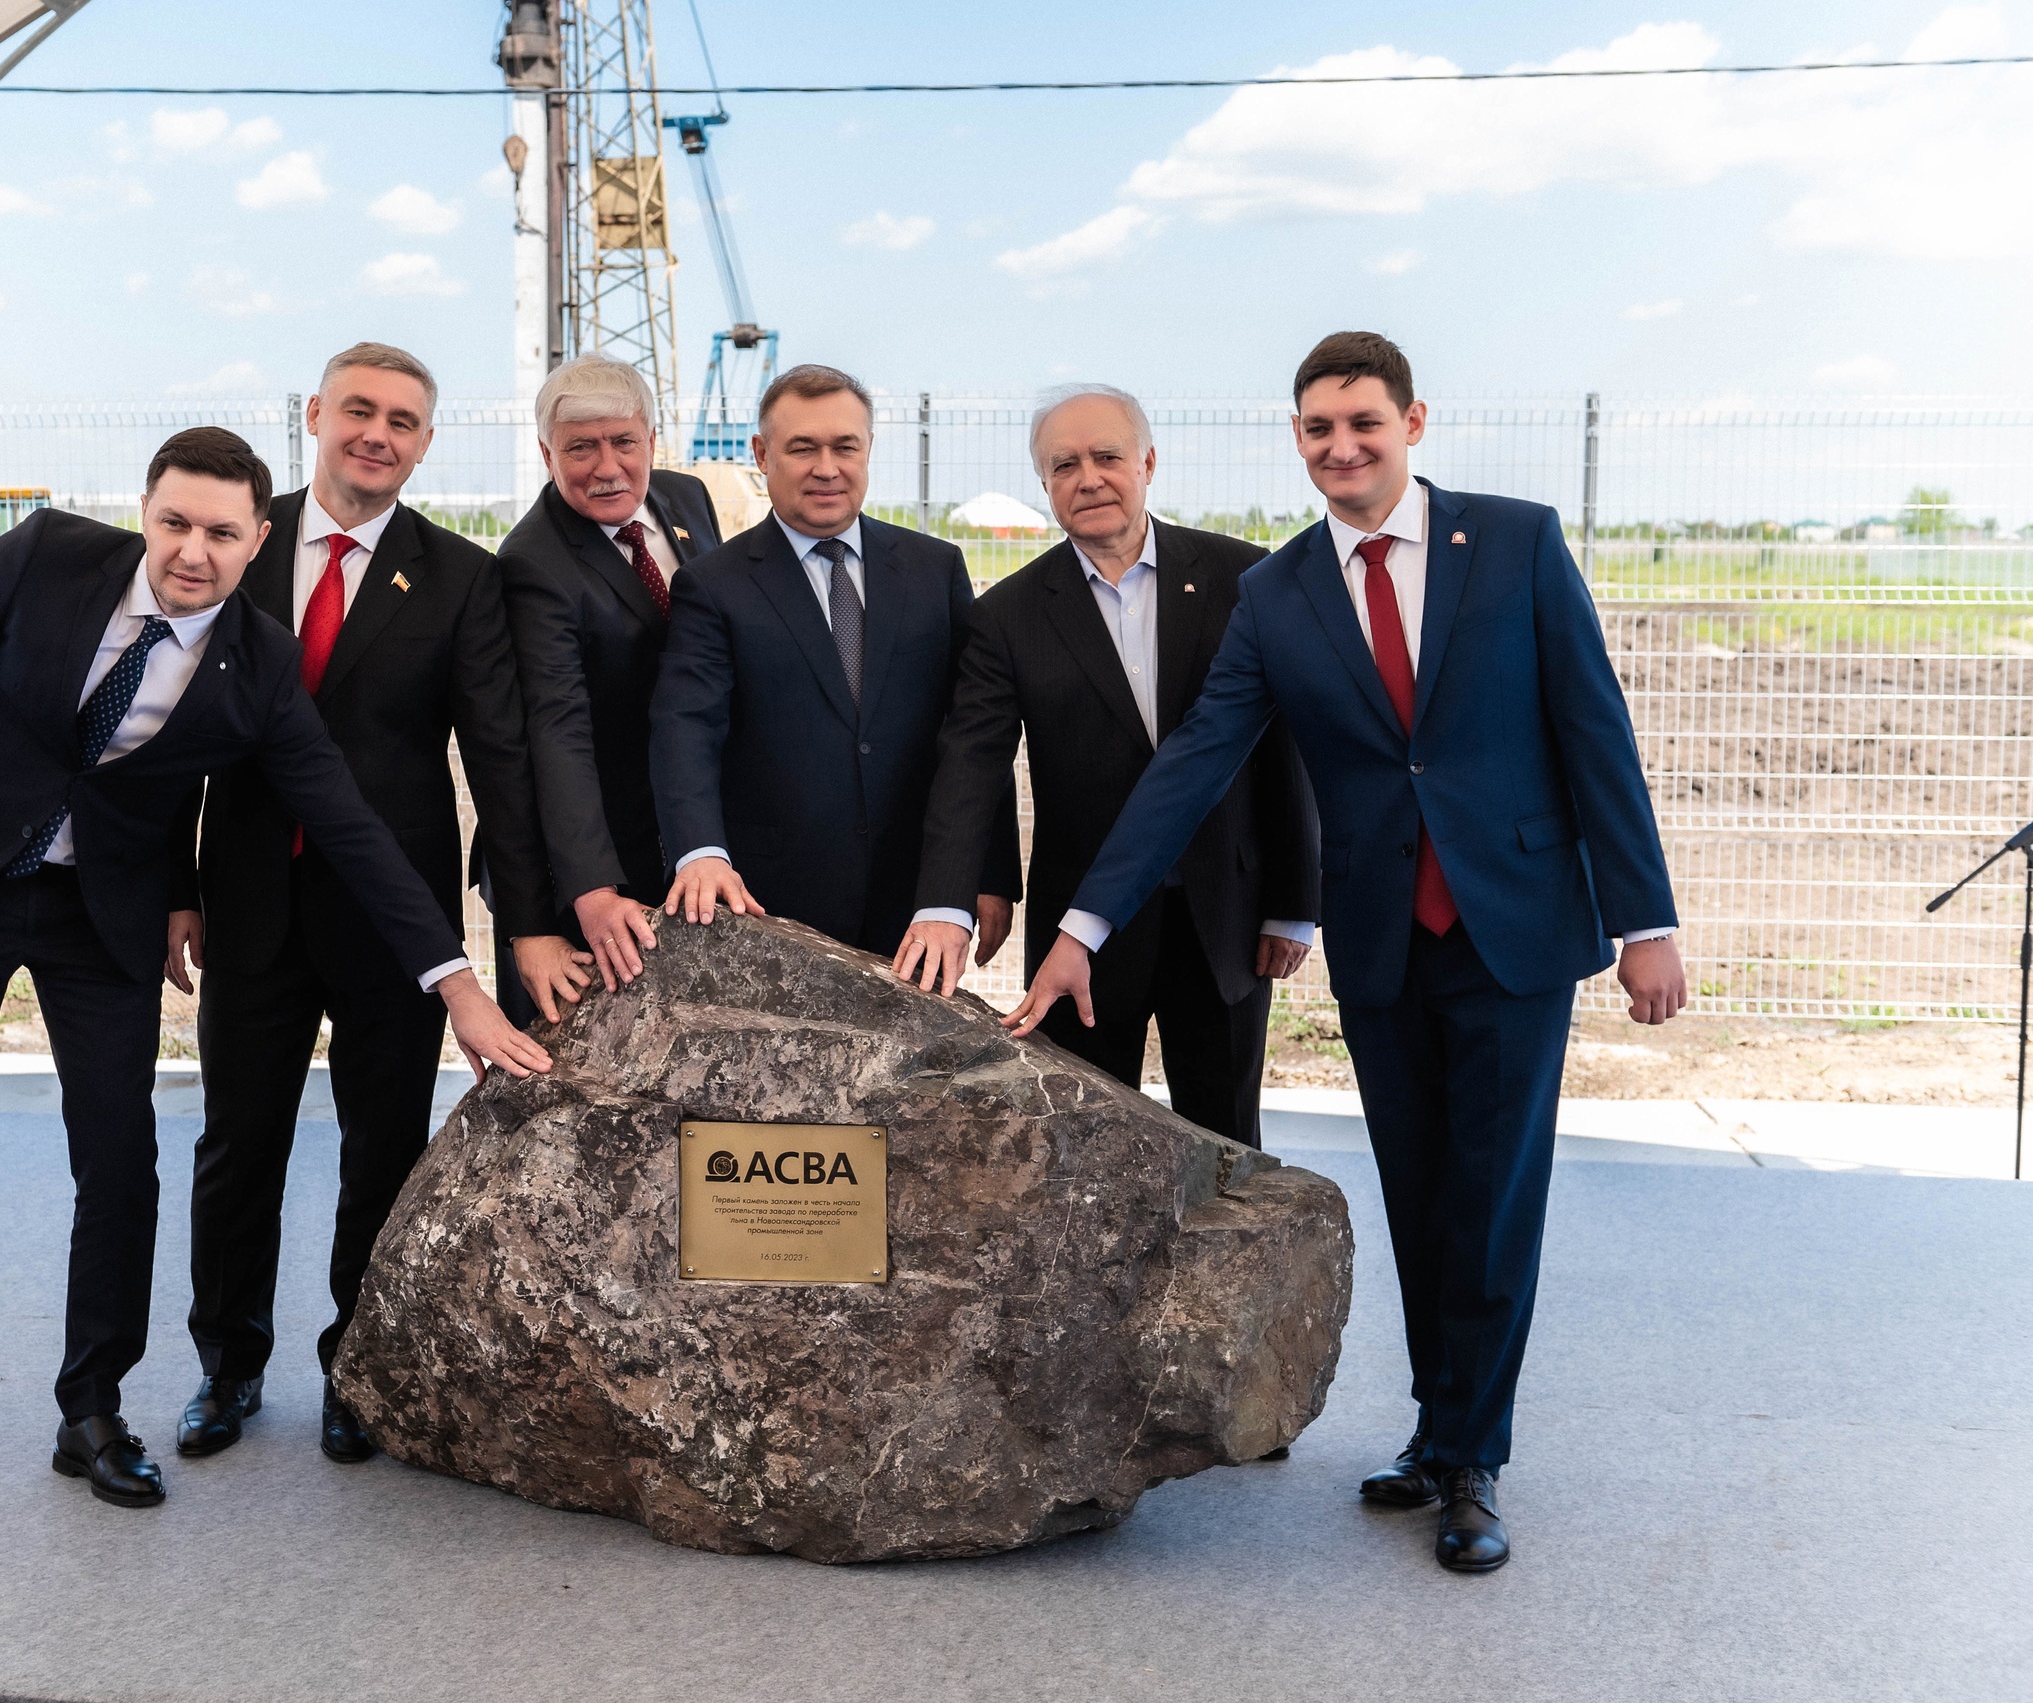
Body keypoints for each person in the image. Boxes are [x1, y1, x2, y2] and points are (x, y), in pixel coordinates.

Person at [1010, 333, 1686, 1574]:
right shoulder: (1279, 594)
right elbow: (1192, 765)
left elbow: (1594, 729)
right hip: (1381, 940)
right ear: (1297, 438)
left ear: (1411, 423)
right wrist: (1080, 928)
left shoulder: (1517, 542)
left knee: (1492, 1201)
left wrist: (1646, 922)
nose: (1341, 446)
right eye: (1318, 428)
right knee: (1420, 1195)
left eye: (1362, 422)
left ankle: (1473, 1456)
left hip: (1513, 927)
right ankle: (1437, 1427)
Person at [0, 427, 546, 1509]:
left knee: (119, 1165)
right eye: (174, 523)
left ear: (260, 538)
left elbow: (349, 826)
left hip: (101, 916)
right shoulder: (44, 555)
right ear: (145, 512)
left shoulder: (260, 665)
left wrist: (458, 984)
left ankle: (91, 1408)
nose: (192, 551)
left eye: (220, 532)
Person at [170, 343, 565, 1468]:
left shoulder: (461, 576)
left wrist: (521, 918)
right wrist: (173, 887)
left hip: (393, 914)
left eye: (401, 420)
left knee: (382, 1145)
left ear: (425, 443)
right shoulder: (239, 546)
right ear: (315, 414)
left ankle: (360, 1368)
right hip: (247, 897)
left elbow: (497, 756)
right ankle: (227, 1365)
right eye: (358, 410)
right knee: (238, 1141)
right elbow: (168, 723)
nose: (376, 434)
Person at [893, 383, 1320, 1147]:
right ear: (1045, 483)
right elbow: (972, 762)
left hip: (1224, 915)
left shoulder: (1242, 579)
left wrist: (1293, 901)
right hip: (1083, 929)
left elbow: (1284, 745)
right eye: (1064, 465)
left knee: (1228, 1143)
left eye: (1106, 457)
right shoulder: (1008, 615)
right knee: (1083, 1146)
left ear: (1147, 463)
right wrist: (946, 900)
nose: (1087, 478)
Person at [649, 363, 1016, 954]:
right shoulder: (713, 586)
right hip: (766, 907)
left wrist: (990, 874)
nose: (827, 468)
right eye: (803, 448)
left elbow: (977, 731)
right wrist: (700, 852)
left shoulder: (935, 569)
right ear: (762, 454)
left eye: (845, 446)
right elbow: (685, 728)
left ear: (868, 449)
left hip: (917, 905)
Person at [491, 353, 722, 1026]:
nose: (607, 466)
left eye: (624, 441)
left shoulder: (687, 498)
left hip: (686, 840)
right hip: (585, 862)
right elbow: (557, 731)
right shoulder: (531, 563)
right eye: (580, 448)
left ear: (651, 438)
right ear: (546, 454)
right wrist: (592, 886)